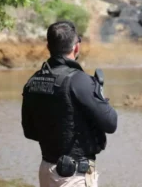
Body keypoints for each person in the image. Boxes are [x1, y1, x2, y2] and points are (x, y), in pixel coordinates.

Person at [21, 20, 118, 187]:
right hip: (74, 176)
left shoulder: (34, 81)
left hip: (47, 170)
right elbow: (111, 123)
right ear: (76, 47)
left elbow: (30, 132)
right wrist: (100, 95)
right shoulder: (80, 81)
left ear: (48, 46)